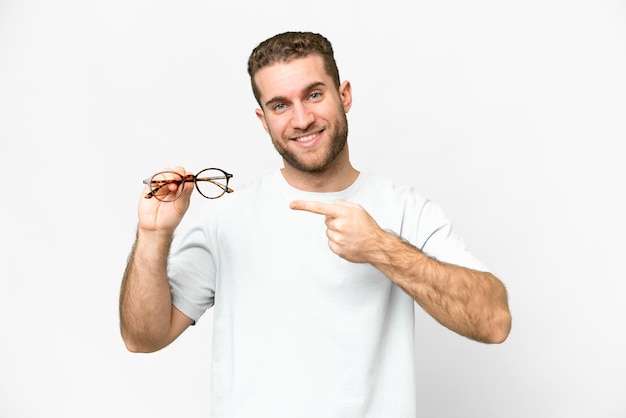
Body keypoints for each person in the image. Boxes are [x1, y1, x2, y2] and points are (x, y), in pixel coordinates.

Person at [120, 31, 511, 417]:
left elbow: (494, 322)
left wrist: (380, 247)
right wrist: (155, 236)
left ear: (344, 95)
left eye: (313, 94)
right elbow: (142, 337)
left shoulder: (403, 209)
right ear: (263, 119)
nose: (302, 119)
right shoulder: (228, 217)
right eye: (280, 105)